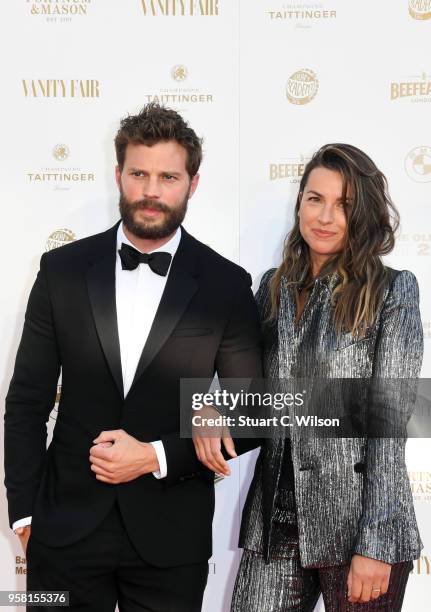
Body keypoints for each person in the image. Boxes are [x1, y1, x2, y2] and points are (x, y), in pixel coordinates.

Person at [4, 103, 262, 612]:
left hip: (172, 540)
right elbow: (27, 402)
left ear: (193, 183)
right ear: (118, 174)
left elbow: (249, 412)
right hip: (64, 534)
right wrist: (25, 519)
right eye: (139, 173)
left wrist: (156, 455)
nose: (151, 190)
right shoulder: (62, 271)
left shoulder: (225, 284)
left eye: (168, 176)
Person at [201, 143, 423, 611]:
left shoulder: (391, 291)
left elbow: (387, 424)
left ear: (364, 214)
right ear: (299, 202)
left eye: (343, 204)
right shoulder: (272, 287)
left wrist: (376, 543)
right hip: (276, 520)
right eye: (315, 199)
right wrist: (206, 407)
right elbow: (253, 397)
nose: (325, 216)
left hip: (359, 523)